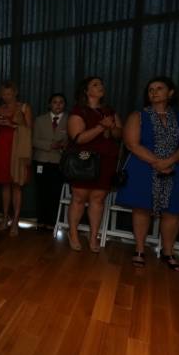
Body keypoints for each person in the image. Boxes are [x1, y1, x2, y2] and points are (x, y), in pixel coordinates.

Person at [116, 77, 179, 270]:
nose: (154, 92)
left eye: (159, 88)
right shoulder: (138, 115)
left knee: (173, 212)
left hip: (176, 168)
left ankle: (167, 252)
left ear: (171, 93)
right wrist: (157, 162)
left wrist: (170, 161)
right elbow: (131, 143)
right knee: (142, 208)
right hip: (143, 167)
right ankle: (140, 250)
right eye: (150, 89)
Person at [66, 76, 122, 252]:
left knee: (98, 199)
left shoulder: (109, 110)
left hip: (106, 160)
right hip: (83, 160)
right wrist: (100, 127)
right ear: (86, 90)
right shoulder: (78, 111)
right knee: (79, 198)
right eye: (95, 84)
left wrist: (111, 129)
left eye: (101, 83)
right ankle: (73, 234)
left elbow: (120, 134)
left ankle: (93, 237)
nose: (100, 87)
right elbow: (78, 138)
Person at [0, 81, 33, 236]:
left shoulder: (24, 108)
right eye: (4, 94)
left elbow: (29, 129)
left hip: (18, 148)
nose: (6, 97)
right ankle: (4, 218)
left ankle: (15, 220)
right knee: (4, 185)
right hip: (2, 147)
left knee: (17, 184)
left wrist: (13, 124)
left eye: (9, 93)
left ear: (15, 93)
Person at [32, 93, 68, 230]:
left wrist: (64, 145)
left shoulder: (70, 119)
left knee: (55, 193)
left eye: (61, 102)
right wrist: (50, 145)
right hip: (41, 160)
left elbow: (73, 140)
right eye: (54, 102)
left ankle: (53, 222)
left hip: (59, 162)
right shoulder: (40, 120)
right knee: (41, 192)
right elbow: (34, 141)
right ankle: (41, 221)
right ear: (49, 104)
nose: (58, 105)